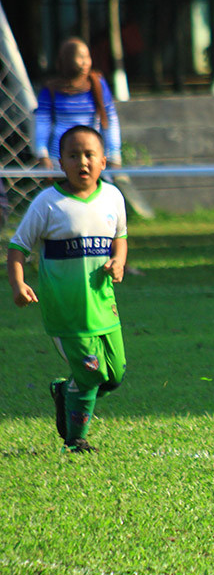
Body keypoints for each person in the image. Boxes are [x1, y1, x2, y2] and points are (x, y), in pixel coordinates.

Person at [7, 125, 128, 453]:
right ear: (61, 162)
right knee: (91, 374)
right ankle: (75, 440)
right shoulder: (48, 203)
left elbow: (120, 238)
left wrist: (118, 261)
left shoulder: (113, 197)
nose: (82, 162)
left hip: (104, 306)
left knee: (114, 376)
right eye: (73, 155)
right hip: (67, 312)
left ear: (104, 161)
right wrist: (18, 283)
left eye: (89, 155)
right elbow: (18, 246)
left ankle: (65, 392)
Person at [34, 37, 123, 172]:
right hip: (60, 160)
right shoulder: (50, 89)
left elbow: (110, 120)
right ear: (65, 60)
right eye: (80, 57)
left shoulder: (97, 85)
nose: (85, 63)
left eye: (88, 57)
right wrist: (42, 154)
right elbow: (42, 123)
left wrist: (114, 154)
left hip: (91, 158)